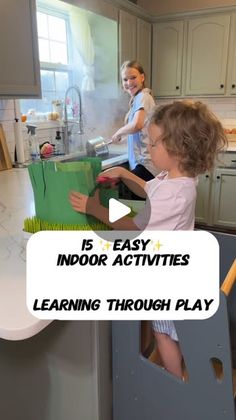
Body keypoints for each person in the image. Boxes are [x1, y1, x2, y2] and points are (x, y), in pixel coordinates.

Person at [69, 100, 227, 378]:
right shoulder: (178, 179)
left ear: (177, 150)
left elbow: (134, 227)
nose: (149, 149)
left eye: (153, 143)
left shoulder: (173, 194)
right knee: (171, 329)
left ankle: (174, 379)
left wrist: (94, 208)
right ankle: (175, 368)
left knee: (163, 331)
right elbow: (149, 188)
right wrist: (123, 173)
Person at [112, 60, 159, 181]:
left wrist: (119, 132)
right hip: (142, 164)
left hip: (146, 165)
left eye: (133, 77)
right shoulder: (138, 98)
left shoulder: (143, 96)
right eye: (125, 79)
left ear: (142, 77)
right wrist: (122, 138)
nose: (129, 82)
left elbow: (137, 125)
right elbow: (141, 131)